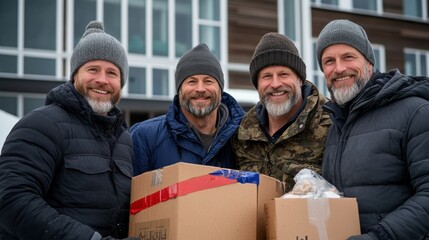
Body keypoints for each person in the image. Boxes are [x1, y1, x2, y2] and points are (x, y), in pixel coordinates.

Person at [0, 21, 138, 240]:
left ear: (121, 83)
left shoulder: (124, 139)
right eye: (93, 69)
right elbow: (11, 199)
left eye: (112, 72)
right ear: (74, 75)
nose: (102, 80)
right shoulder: (41, 124)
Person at [316, 19, 429, 240]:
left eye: (348, 57)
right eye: (329, 61)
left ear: (369, 63)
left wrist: (380, 236)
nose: (339, 68)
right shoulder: (336, 124)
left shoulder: (416, 112)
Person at [232, 32, 331, 192]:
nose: (275, 83)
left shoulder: (330, 124)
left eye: (284, 74)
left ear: (299, 79)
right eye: (267, 76)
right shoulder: (242, 136)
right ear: (257, 84)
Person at [131, 43, 245, 175]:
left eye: (208, 81)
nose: (200, 89)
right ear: (179, 89)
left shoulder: (244, 137)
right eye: (192, 81)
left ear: (220, 89)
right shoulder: (144, 137)